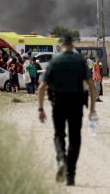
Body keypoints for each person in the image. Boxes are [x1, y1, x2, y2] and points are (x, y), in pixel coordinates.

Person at [38, 36, 97, 186]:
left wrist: (40, 109)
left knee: (59, 135)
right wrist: (92, 110)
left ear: (60, 46)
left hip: (58, 104)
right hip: (76, 104)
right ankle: (70, 175)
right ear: (72, 46)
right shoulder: (80, 61)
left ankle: (61, 159)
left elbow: (41, 87)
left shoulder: (54, 61)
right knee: (75, 138)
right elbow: (92, 86)